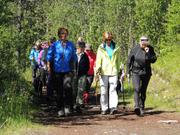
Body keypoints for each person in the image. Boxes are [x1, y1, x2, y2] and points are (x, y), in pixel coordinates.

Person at [46, 27, 77, 117]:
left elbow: (74, 57)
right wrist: (48, 66)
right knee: (59, 90)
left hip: (68, 70)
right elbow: (49, 56)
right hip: (57, 70)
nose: (63, 35)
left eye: (65, 34)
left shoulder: (71, 44)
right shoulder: (54, 45)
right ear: (59, 35)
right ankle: (60, 109)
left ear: (67, 35)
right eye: (61, 34)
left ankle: (68, 107)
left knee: (68, 88)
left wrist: (74, 68)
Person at [127, 36, 157, 116]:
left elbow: (153, 60)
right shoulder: (135, 48)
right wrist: (127, 72)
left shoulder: (150, 48)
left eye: (146, 41)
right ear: (140, 41)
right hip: (136, 72)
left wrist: (148, 52)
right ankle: (136, 106)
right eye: (142, 41)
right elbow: (129, 60)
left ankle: (142, 106)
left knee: (143, 90)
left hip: (146, 72)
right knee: (137, 88)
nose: (144, 43)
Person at [95, 32, 121, 115]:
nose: (108, 41)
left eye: (110, 39)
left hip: (113, 71)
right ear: (104, 39)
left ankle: (113, 107)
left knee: (113, 90)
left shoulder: (116, 47)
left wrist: (120, 70)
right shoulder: (101, 48)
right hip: (104, 71)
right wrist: (97, 69)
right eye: (107, 40)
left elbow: (118, 61)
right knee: (103, 91)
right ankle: (104, 108)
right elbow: (98, 60)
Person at [74, 41, 89, 112]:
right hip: (73, 75)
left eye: (83, 47)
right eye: (81, 48)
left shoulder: (85, 56)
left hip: (82, 75)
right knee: (74, 90)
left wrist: (84, 72)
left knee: (81, 90)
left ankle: (78, 105)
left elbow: (87, 65)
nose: (82, 49)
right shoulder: (73, 55)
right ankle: (73, 104)